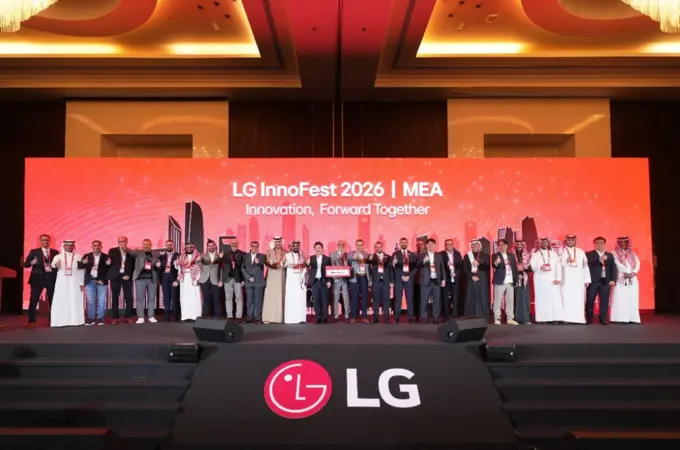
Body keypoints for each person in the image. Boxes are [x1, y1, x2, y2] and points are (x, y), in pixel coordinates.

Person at [23, 234, 59, 328]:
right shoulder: (34, 252)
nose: (45, 242)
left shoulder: (55, 252)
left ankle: (53, 321)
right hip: (37, 279)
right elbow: (25, 264)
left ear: (50, 241)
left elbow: (57, 265)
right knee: (34, 300)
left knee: (53, 300)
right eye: (43, 240)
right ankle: (32, 321)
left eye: (47, 240)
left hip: (51, 278)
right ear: (40, 241)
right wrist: (32, 262)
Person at [50, 240, 85, 328]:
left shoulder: (79, 256)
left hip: (75, 282)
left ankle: (76, 321)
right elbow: (53, 265)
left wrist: (82, 282)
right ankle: (60, 321)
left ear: (73, 247)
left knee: (75, 299)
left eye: (71, 245)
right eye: (67, 245)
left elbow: (82, 271)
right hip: (62, 282)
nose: (69, 247)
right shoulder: (58, 256)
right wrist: (56, 265)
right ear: (64, 246)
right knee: (61, 300)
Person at [559, 235, 591, 324]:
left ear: (575, 241)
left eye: (573, 240)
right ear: (566, 241)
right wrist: (565, 261)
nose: (571, 242)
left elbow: (585, 266)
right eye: (569, 240)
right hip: (566, 279)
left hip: (578, 280)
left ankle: (579, 319)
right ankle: (566, 319)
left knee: (578, 298)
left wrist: (587, 279)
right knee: (566, 298)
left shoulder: (580, 251)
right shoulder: (561, 251)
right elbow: (556, 264)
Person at [530, 237, 563, 323]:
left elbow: (558, 266)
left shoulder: (553, 254)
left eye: (546, 242)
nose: (544, 244)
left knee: (554, 299)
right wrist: (539, 267)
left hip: (552, 280)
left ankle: (555, 318)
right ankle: (542, 318)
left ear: (548, 243)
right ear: (539, 244)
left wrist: (558, 278)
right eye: (542, 242)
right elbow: (532, 267)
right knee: (541, 299)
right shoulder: (535, 254)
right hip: (540, 280)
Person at [585, 236, 617, 325]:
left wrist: (613, 279)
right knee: (590, 300)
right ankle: (589, 318)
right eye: (597, 243)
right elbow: (588, 264)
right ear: (594, 244)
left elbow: (613, 268)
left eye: (601, 243)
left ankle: (603, 319)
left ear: (605, 244)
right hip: (593, 281)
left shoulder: (610, 255)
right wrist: (599, 259)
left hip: (606, 281)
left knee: (604, 300)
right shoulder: (589, 254)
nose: (599, 245)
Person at [610, 236, 641, 324]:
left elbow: (638, 263)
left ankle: (632, 318)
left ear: (628, 243)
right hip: (621, 278)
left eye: (625, 242)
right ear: (618, 243)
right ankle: (619, 318)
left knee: (632, 298)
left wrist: (634, 272)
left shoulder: (632, 253)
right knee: (620, 299)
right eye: (621, 242)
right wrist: (626, 272)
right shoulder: (614, 253)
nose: (623, 244)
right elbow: (617, 264)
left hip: (632, 278)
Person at [78, 240, 109, 326]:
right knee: (90, 300)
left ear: (101, 246)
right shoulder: (87, 256)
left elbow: (109, 270)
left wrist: (108, 265)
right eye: (94, 245)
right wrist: (83, 262)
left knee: (101, 300)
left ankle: (100, 318)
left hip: (102, 281)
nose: (96, 247)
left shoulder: (106, 256)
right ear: (92, 247)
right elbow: (80, 267)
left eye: (98, 245)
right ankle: (91, 318)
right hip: (90, 280)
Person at [106, 236, 135, 324]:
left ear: (126, 242)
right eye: (120, 241)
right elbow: (108, 263)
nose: (121, 243)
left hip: (127, 276)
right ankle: (115, 317)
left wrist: (129, 275)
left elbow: (133, 265)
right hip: (115, 277)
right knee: (115, 297)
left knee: (128, 297)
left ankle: (128, 316)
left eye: (123, 241)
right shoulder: (112, 251)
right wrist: (107, 263)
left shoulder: (131, 252)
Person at [491, 239, 519, 325]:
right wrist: (496, 262)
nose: (502, 247)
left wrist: (516, 279)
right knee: (498, 300)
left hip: (510, 281)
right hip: (500, 280)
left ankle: (510, 318)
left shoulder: (511, 256)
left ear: (507, 246)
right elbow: (494, 265)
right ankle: (497, 318)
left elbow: (514, 268)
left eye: (503, 245)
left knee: (510, 300)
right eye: (500, 245)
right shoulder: (495, 255)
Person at [418, 238, 445, 324]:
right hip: (426, 281)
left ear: (435, 246)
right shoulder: (422, 255)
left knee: (437, 300)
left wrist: (443, 279)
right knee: (424, 300)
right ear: (426, 246)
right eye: (429, 244)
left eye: (432, 244)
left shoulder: (438, 255)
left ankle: (436, 317)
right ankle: (424, 317)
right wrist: (424, 261)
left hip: (436, 281)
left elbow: (442, 268)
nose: (430, 246)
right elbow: (417, 265)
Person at [132, 239, 159, 323]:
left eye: (147, 244)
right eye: (144, 244)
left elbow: (157, 263)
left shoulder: (155, 253)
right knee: (140, 299)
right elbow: (130, 252)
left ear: (151, 245)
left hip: (152, 279)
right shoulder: (138, 253)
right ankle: (140, 317)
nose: (145, 246)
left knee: (152, 298)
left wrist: (157, 263)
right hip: (140, 279)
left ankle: (151, 316)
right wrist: (124, 246)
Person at [463, 239, 491, 320]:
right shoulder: (467, 256)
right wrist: (471, 276)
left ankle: (483, 316)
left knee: (482, 296)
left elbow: (488, 267)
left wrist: (479, 264)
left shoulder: (485, 255)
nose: (474, 246)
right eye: (473, 244)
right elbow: (464, 269)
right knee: (471, 296)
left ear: (480, 246)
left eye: (476, 244)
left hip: (482, 278)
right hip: (471, 278)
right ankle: (470, 316)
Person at [176, 242, 202, 322]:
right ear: (185, 248)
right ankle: (185, 316)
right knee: (184, 297)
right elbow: (179, 268)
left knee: (195, 297)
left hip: (194, 279)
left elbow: (201, 268)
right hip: (184, 279)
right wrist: (177, 264)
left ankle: (195, 316)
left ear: (193, 248)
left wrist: (197, 278)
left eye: (191, 247)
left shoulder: (198, 257)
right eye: (187, 247)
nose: (189, 249)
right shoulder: (181, 257)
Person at [282, 240, 307, 324]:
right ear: (292, 246)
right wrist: (284, 261)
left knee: (300, 299)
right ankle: (290, 319)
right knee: (291, 299)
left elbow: (305, 266)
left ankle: (301, 318)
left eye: (297, 246)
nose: (296, 247)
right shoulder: (287, 255)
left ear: (299, 246)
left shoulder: (302, 255)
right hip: (291, 281)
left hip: (300, 280)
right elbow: (282, 264)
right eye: (294, 246)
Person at [367, 241, 393, 324]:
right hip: (375, 281)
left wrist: (392, 281)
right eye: (377, 247)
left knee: (386, 300)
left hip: (386, 281)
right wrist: (370, 280)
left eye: (380, 247)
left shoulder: (388, 257)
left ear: (382, 247)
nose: (378, 248)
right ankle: (375, 318)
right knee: (375, 300)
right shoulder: (371, 257)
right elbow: (368, 270)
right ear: (375, 248)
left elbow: (391, 270)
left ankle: (387, 319)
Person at [393, 237, 417, 323]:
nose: (403, 243)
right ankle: (397, 317)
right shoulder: (395, 254)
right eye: (402, 242)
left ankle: (410, 317)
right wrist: (393, 264)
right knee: (398, 298)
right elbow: (393, 268)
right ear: (400, 244)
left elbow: (415, 268)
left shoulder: (412, 255)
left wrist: (408, 276)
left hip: (409, 279)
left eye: (405, 242)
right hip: (398, 279)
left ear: (407, 243)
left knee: (409, 298)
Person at [242, 241, 266, 323]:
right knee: (249, 301)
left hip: (259, 282)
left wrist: (258, 262)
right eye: (253, 246)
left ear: (258, 247)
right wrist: (248, 277)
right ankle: (249, 317)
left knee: (258, 301)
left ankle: (257, 317)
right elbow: (242, 268)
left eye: (256, 246)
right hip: (248, 282)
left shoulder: (262, 256)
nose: (254, 248)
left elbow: (263, 262)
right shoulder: (245, 256)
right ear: (250, 247)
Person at [307, 242, 332, 324]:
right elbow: (307, 266)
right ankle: (318, 317)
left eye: (319, 248)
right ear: (314, 249)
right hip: (315, 281)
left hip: (324, 281)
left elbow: (330, 271)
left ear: (322, 249)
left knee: (325, 300)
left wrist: (329, 281)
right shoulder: (311, 258)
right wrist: (307, 263)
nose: (317, 249)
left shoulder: (327, 259)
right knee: (316, 301)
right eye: (316, 248)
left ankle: (324, 318)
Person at [263, 236, 285, 323]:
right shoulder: (268, 251)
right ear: (274, 242)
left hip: (281, 275)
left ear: (281, 242)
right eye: (276, 242)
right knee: (270, 295)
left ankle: (279, 318)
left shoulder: (285, 252)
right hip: (271, 275)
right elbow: (267, 262)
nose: (278, 243)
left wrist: (277, 265)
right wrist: (272, 265)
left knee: (279, 295)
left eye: (279, 242)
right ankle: (269, 317)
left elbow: (284, 263)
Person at [348, 239, 371, 323]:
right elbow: (350, 258)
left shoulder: (366, 254)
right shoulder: (351, 253)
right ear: (356, 246)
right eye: (358, 245)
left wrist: (370, 279)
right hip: (355, 278)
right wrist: (356, 256)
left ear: (363, 246)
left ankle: (364, 316)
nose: (359, 246)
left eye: (361, 245)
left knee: (364, 298)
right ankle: (353, 316)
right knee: (354, 297)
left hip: (364, 277)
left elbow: (368, 267)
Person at [222, 239, 245, 322]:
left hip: (238, 279)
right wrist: (220, 258)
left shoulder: (243, 254)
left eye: (235, 243)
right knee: (228, 298)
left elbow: (244, 268)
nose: (234, 244)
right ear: (230, 244)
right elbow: (222, 267)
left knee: (239, 298)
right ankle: (229, 316)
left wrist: (243, 280)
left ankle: (239, 316)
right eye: (232, 243)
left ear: (238, 244)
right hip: (227, 279)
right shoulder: (225, 254)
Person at [199, 238, 223, 317]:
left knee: (216, 298)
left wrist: (220, 280)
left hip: (215, 279)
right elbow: (196, 265)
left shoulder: (219, 256)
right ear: (207, 247)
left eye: (212, 245)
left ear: (215, 246)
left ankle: (218, 315)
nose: (211, 247)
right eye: (209, 246)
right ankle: (205, 315)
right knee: (206, 298)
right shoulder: (202, 255)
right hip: (204, 279)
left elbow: (221, 269)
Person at [158, 240, 180, 322]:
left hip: (173, 277)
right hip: (164, 277)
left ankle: (175, 315)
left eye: (171, 244)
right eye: (168, 245)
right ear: (165, 246)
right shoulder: (162, 256)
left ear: (173, 246)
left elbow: (180, 269)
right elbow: (159, 268)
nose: (169, 246)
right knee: (166, 297)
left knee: (174, 297)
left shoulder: (178, 255)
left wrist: (177, 279)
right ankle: (166, 315)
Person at [440, 239, 462, 319]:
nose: (449, 245)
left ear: (453, 245)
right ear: (445, 246)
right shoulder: (441, 254)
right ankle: (446, 313)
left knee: (455, 296)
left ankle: (455, 313)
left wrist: (456, 273)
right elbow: (439, 266)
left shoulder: (457, 254)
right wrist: (446, 264)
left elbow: (460, 266)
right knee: (445, 296)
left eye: (450, 244)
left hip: (455, 278)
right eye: (447, 244)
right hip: (446, 278)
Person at [513, 240, 532, 324]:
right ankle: (515, 318)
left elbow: (530, 268)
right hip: (514, 278)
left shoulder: (527, 255)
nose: (519, 246)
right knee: (516, 297)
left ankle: (525, 318)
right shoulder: (511, 255)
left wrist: (526, 269)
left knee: (525, 297)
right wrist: (517, 274)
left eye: (521, 244)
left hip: (525, 278)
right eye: (518, 244)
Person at [331, 240, 351, 320]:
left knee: (346, 297)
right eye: (339, 245)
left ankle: (347, 313)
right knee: (336, 297)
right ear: (337, 245)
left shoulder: (347, 255)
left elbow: (349, 266)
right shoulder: (333, 254)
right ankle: (336, 314)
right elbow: (331, 266)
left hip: (345, 279)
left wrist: (347, 266)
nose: (341, 246)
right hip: (336, 279)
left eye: (343, 245)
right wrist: (334, 276)